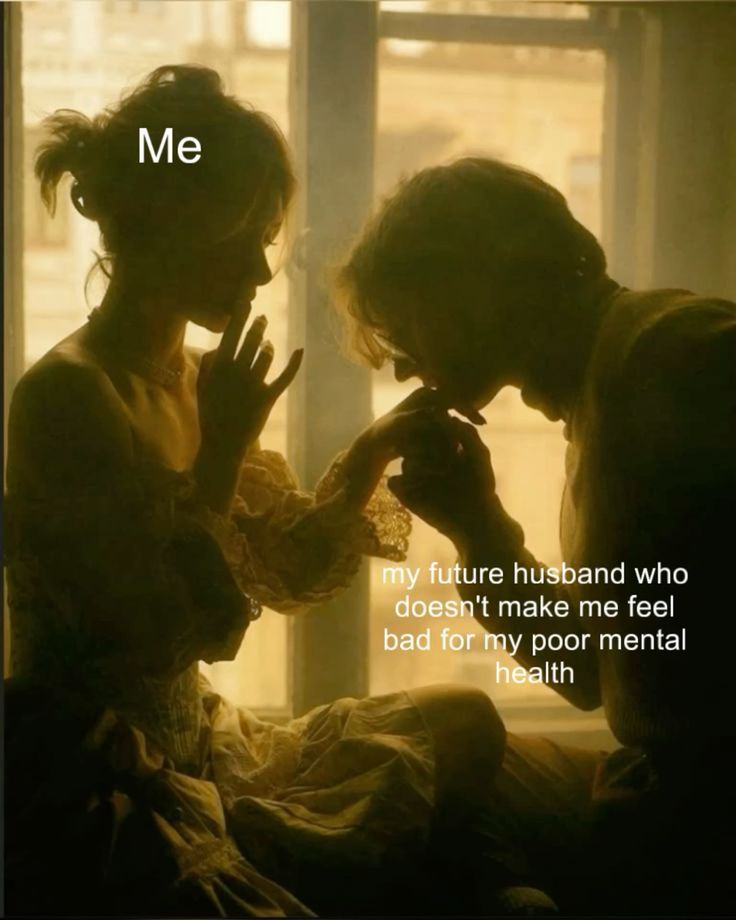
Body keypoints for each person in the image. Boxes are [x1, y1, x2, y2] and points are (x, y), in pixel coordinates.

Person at [4, 69, 510, 918]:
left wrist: (374, 450)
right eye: (242, 236)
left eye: (267, 236)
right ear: (170, 227)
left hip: (202, 744)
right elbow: (158, 635)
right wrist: (221, 452)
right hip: (100, 776)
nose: (261, 268)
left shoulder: (202, 375)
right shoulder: (68, 395)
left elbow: (281, 568)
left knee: (464, 719)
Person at [334, 156, 736, 915]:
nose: (402, 367)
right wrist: (479, 533)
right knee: (416, 765)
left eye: (402, 326)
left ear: (467, 291)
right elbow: (593, 672)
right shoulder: (611, 380)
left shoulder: (678, 359)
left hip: (701, 816)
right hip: (667, 786)